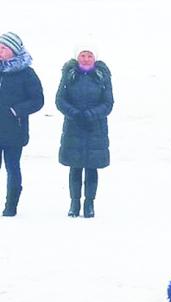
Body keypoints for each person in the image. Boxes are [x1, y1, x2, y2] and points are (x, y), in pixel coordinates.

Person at [55, 47, 113, 219]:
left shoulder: (102, 76)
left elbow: (108, 103)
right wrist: (74, 113)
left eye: (89, 56)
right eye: (83, 55)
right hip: (74, 127)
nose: (86, 59)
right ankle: (74, 203)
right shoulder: (69, 75)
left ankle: (89, 203)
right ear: (77, 57)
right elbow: (60, 99)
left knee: (91, 167)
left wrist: (91, 114)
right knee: (75, 166)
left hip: (96, 128)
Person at [0, 32, 43, 217]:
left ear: (13, 51)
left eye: (3, 48)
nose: (0, 51)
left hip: (14, 131)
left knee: (13, 168)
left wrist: (15, 111)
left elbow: (38, 100)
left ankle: (11, 207)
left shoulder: (26, 73)